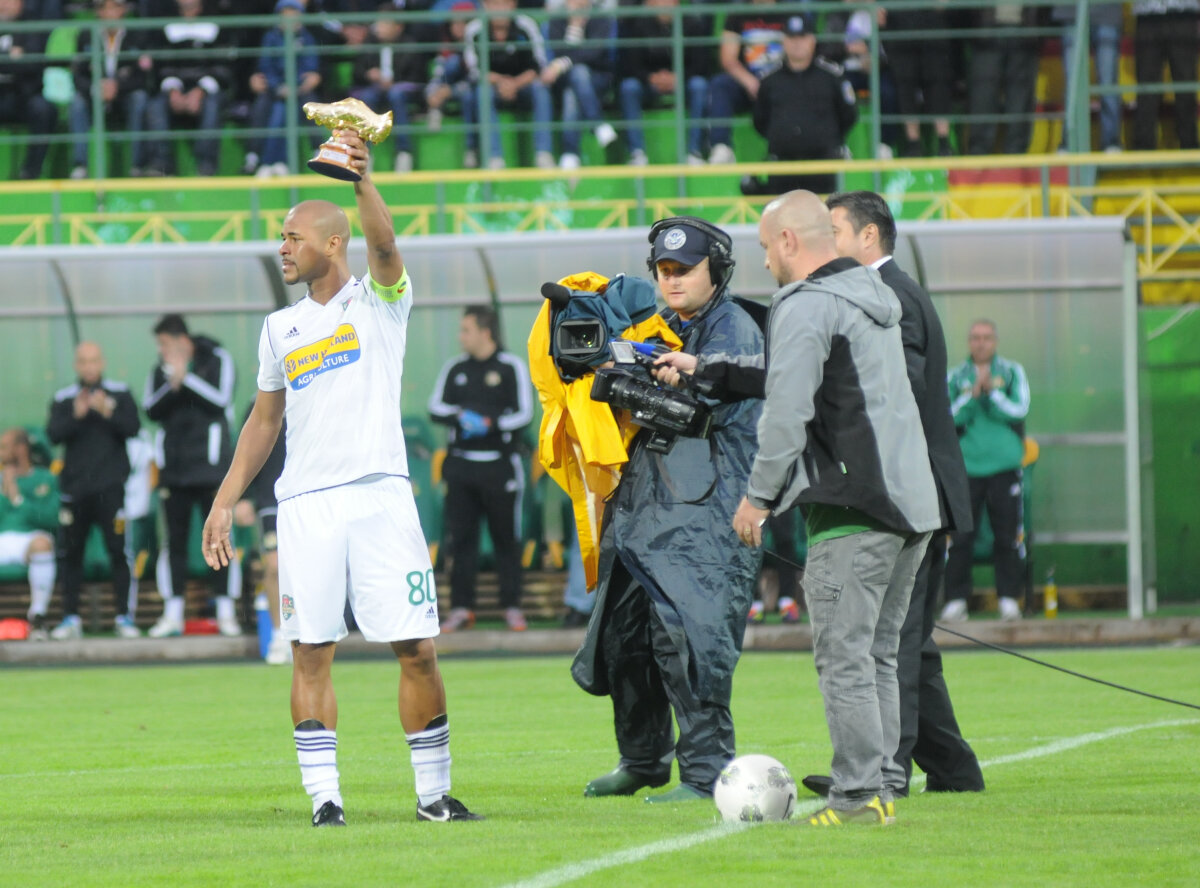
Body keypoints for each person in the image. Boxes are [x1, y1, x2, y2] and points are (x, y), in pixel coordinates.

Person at [200, 127, 482, 826]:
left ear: (332, 243)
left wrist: (359, 179)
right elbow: (265, 422)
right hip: (308, 507)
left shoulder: (380, 303)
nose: (282, 246)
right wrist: (224, 499)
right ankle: (326, 802)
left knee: (416, 648)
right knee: (311, 653)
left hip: (382, 496)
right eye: (280, 237)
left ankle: (433, 799)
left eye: (293, 236)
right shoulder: (278, 329)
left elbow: (385, 248)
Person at [733, 190, 940, 827]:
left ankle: (854, 798)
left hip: (853, 507)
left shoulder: (806, 303)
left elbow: (787, 412)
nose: (766, 263)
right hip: (912, 507)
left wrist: (757, 498)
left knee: (846, 656)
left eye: (766, 248)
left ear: (790, 242)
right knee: (877, 654)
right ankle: (880, 788)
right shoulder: (876, 298)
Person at [571, 217, 764, 804]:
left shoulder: (733, 327)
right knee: (623, 637)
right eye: (663, 270)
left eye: (685, 270)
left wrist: (620, 384)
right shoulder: (659, 327)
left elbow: (696, 411)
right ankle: (643, 758)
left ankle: (705, 773)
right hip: (645, 507)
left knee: (687, 637)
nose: (671, 279)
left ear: (718, 272)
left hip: (703, 509)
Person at [810, 190, 985, 797]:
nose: (823, 241)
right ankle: (953, 769)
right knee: (911, 639)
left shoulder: (889, 298)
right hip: (918, 491)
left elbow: (895, 394)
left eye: (832, 230)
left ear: (867, 238)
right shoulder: (892, 293)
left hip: (910, 494)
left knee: (895, 638)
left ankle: (888, 771)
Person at [428, 304, 533, 632]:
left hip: (499, 467)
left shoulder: (510, 366)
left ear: (485, 332)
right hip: (461, 467)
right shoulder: (455, 368)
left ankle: (512, 607)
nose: (461, 336)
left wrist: (490, 423)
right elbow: (436, 407)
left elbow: (524, 414)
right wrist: (461, 416)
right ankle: (461, 608)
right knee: (460, 541)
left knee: (506, 539)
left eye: (466, 330)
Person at [143, 313, 240, 637]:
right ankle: (173, 614)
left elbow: (221, 399)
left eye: (165, 344)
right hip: (174, 474)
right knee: (175, 543)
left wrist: (187, 379)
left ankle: (226, 611)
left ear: (182, 340)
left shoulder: (217, 358)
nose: (161, 351)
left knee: (219, 540)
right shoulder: (160, 369)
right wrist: (173, 384)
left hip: (211, 473)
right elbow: (151, 409)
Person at [46, 343, 143, 640]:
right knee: (71, 554)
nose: (89, 367)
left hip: (111, 490)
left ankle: (124, 617)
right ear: (77, 365)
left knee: (118, 551)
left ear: (102, 363)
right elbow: (53, 434)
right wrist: (76, 415)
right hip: (75, 492)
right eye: (83, 362)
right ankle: (70, 618)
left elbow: (133, 428)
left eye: (93, 361)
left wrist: (107, 411)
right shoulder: (64, 399)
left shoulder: (120, 393)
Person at [942, 320, 1030, 622]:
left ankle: (1008, 599)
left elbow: (1020, 409)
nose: (981, 343)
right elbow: (945, 416)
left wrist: (992, 394)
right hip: (967, 469)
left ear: (996, 341)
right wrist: (972, 396)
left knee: (1007, 536)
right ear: (969, 342)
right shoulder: (955, 376)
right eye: (975, 338)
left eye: (987, 338)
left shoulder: (1011, 372)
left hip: (1005, 468)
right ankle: (956, 601)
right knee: (961, 537)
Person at [743, 13, 857, 197]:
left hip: (822, 165)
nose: (797, 43)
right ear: (783, 41)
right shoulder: (769, 79)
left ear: (812, 40)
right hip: (782, 167)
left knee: (823, 220)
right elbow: (760, 119)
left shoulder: (831, 76)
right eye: (791, 38)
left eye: (802, 37)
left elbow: (848, 115)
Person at [144, 0, 236, 176]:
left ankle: (206, 166)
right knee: (155, 105)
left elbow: (224, 68)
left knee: (213, 105)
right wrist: (173, 90)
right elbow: (161, 66)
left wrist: (200, 90)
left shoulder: (218, 26)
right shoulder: (165, 27)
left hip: (208, 90)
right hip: (175, 89)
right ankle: (161, 165)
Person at [616, 0, 711, 166]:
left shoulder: (692, 23)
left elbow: (701, 64)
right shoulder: (638, 25)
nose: (664, 4)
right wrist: (651, 77)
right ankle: (637, 153)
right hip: (649, 82)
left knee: (699, 86)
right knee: (628, 88)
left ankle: (694, 151)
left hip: (683, 81)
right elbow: (630, 64)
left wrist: (678, 77)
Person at [68, 0, 155, 180]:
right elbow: (78, 75)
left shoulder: (137, 36)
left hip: (124, 97)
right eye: (103, 7)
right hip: (95, 96)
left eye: (114, 6)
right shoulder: (85, 36)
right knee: (76, 102)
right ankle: (80, 166)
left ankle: (137, 166)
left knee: (140, 98)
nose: (109, 12)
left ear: (123, 9)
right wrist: (95, 88)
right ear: (97, 11)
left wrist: (118, 87)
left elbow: (142, 76)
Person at [462, 0, 553, 170]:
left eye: (505, 4)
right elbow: (474, 71)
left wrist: (515, 84)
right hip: (493, 87)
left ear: (513, 6)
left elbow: (538, 65)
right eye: (494, 4)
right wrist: (502, 82)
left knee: (541, 89)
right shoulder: (474, 29)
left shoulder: (526, 26)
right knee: (482, 92)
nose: (500, 10)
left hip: (523, 85)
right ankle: (494, 158)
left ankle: (543, 153)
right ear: (485, 6)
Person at [233, 399, 290, 664]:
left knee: (310, 567)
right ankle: (280, 635)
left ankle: (310, 634)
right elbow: (248, 451)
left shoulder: (318, 392)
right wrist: (243, 495)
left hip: (311, 495)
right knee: (275, 566)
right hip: (271, 498)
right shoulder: (263, 401)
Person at [350, 1, 432, 174]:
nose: (380, 27)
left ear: (398, 26)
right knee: (367, 98)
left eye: (385, 23)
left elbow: (417, 78)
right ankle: (365, 153)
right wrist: (369, 74)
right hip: (376, 90)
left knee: (396, 94)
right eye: (379, 22)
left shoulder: (410, 45)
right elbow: (357, 72)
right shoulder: (369, 43)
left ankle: (404, 152)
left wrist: (394, 81)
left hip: (402, 91)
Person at [244, 0, 323, 178]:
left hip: (299, 90)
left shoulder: (307, 38)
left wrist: (295, 86)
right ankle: (259, 156)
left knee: (307, 105)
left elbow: (309, 68)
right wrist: (279, 87)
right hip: (275, 90)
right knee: (268, 107)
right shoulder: (270, 38)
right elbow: (266, 67)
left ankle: (274, 160)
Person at [707, 0, 788, 164]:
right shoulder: (738, 13)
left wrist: (772, 83)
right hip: (747, 81)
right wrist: (750, 81)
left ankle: (788, 149)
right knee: (720, 84)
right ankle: (722, 147)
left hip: (780, 82)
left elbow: (798, 56)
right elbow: (727, 59)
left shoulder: (788, 12)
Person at [540, 0, 618, 173]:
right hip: (565, 79)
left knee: (575, 84)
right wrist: (574, 27)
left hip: (598, 77)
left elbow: (595, 53)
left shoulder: (601, 16)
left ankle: (570, 153)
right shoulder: (558, 17)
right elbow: (558, 51)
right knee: (577, 75)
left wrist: (564, 62)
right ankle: (597, 124)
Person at [0, 428, 59, 640]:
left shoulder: (45, 478)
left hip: (28, 539)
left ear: (21, 448)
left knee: (43, 544)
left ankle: (38, 618)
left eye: (5, 447)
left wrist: (19, 499)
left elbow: (51, 519)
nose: (1, 452)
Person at [965, 3, 1041, 156]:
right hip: (985, 31)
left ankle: (1016, 153)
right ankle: (979, 154)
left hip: (1024, 31)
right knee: (983, 95)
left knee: (1020, 98)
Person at [885, 3, 954, 157]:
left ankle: (944, 143)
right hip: (900, 32)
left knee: (938, 86)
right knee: (905, 88)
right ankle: (913, 144)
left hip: (933, 34)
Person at [1053, 2, 1123, 152]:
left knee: (1107, 81)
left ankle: (1111, 141)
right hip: (1071, 12)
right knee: (1073, 82)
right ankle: (1069, 141)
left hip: (1107, 12)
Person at [0, 0, 58, 180]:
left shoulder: (32, 26)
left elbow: (33, 64)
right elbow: (21, 64)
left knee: (44, 109)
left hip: (22, 96)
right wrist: (12, 58)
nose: (4, 4)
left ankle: (30, 173)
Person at [1131, 0, 1199, 151]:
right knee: (1146, 86)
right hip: (1147, 14)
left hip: (1184, 13)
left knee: (1185, 84)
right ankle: (1143, 147)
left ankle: (1189, 145)